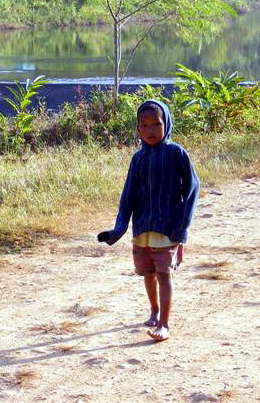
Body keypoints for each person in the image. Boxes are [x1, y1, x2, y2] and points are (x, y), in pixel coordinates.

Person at [97, 99, 199, 342]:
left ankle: (164, 324)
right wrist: (118, 230)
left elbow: (192, 189)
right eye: (144, 125)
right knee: (148, 274)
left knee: (164, 275)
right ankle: (154, 311)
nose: (150, 129)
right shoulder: (138, 158)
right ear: (138, 129)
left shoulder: (176, 153)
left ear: (167, 124)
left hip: (167, 230)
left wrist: (181, 231)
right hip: (142, 229)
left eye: (156, 124)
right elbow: (128, 196)